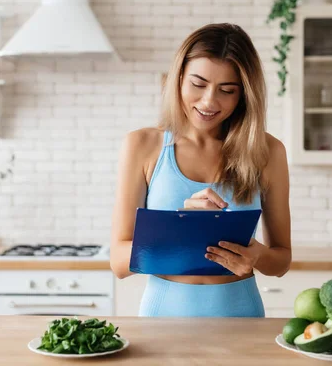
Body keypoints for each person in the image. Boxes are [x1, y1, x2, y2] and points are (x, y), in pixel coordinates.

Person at [110, 23, 291, 317]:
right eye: (198, 84)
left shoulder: (269, 152)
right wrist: (180, 227)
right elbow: (118, 263)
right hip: (163, 317)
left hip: (241, 315)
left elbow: (281, 262)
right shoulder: (143, 145)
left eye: (227, 90)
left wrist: (256, 254)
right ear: (178, 79)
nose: (209, 101)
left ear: (244, 94)